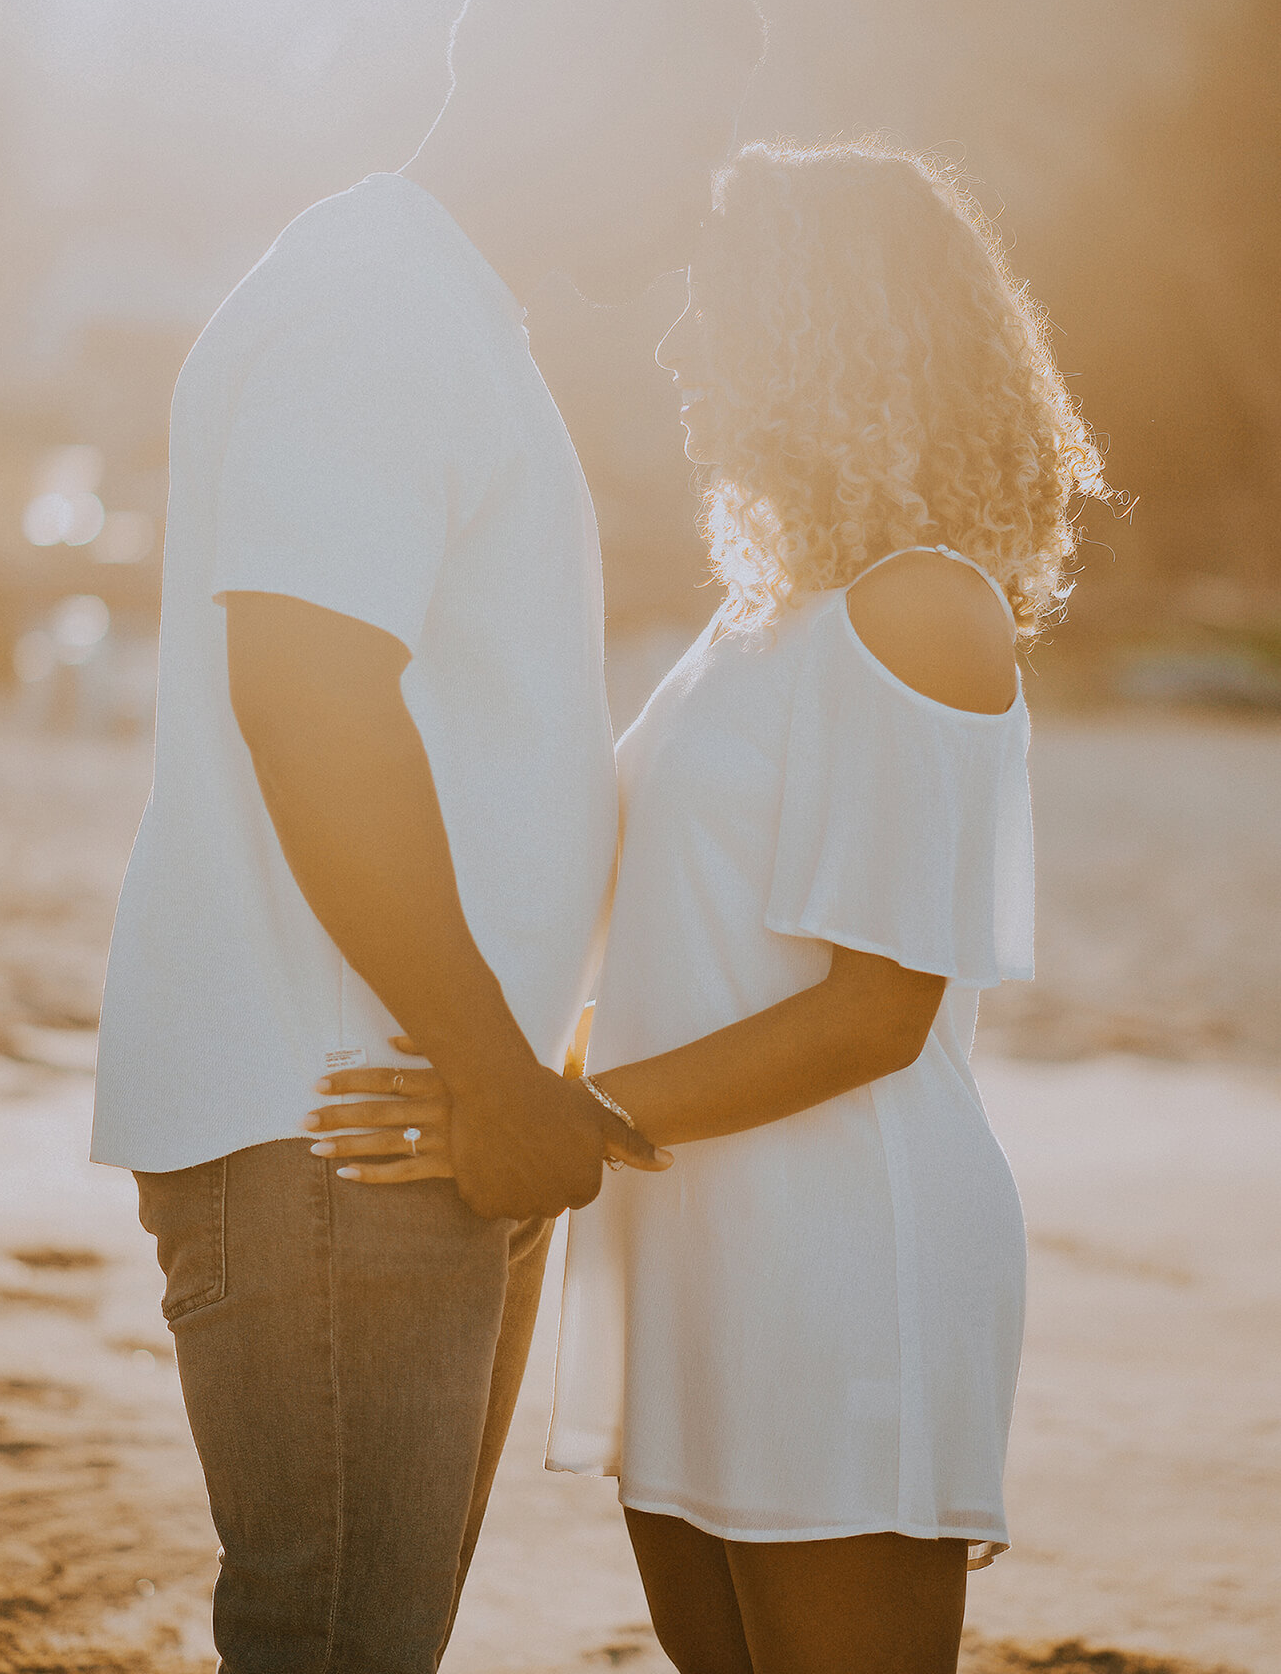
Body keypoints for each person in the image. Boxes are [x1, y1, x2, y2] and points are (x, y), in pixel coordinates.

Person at [322, 140, 1109, 1672]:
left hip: (839, 1257)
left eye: (714, 302)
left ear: (827, 322)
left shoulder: (918, 602)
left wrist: (550, 1112)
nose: (677, 341)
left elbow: (879, 1016)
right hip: (695, 1237)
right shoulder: (773, 617)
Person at [90, 0, 765, 1674]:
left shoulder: (442, 307)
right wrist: (485, 1065)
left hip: (407, 1116)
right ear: (576, 91)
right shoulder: (377, 303)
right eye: (690, 138)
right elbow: (308, 697)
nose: (702, 201)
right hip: (353, 1122)